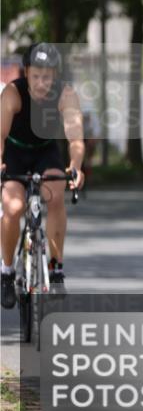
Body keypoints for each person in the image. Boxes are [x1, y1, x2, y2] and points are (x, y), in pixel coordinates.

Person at [1, 43, 86, 307]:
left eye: (47, 77)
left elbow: (75, 138)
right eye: (35, 76)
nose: (41, 83)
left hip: (44, 152)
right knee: (14, 208)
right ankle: (6, 271)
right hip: (14, 153)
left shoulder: (65, 94)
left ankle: (55, 267)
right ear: (26, 73)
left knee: (56, 193)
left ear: (55, 76)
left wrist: (76, 164)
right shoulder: (13, 93)